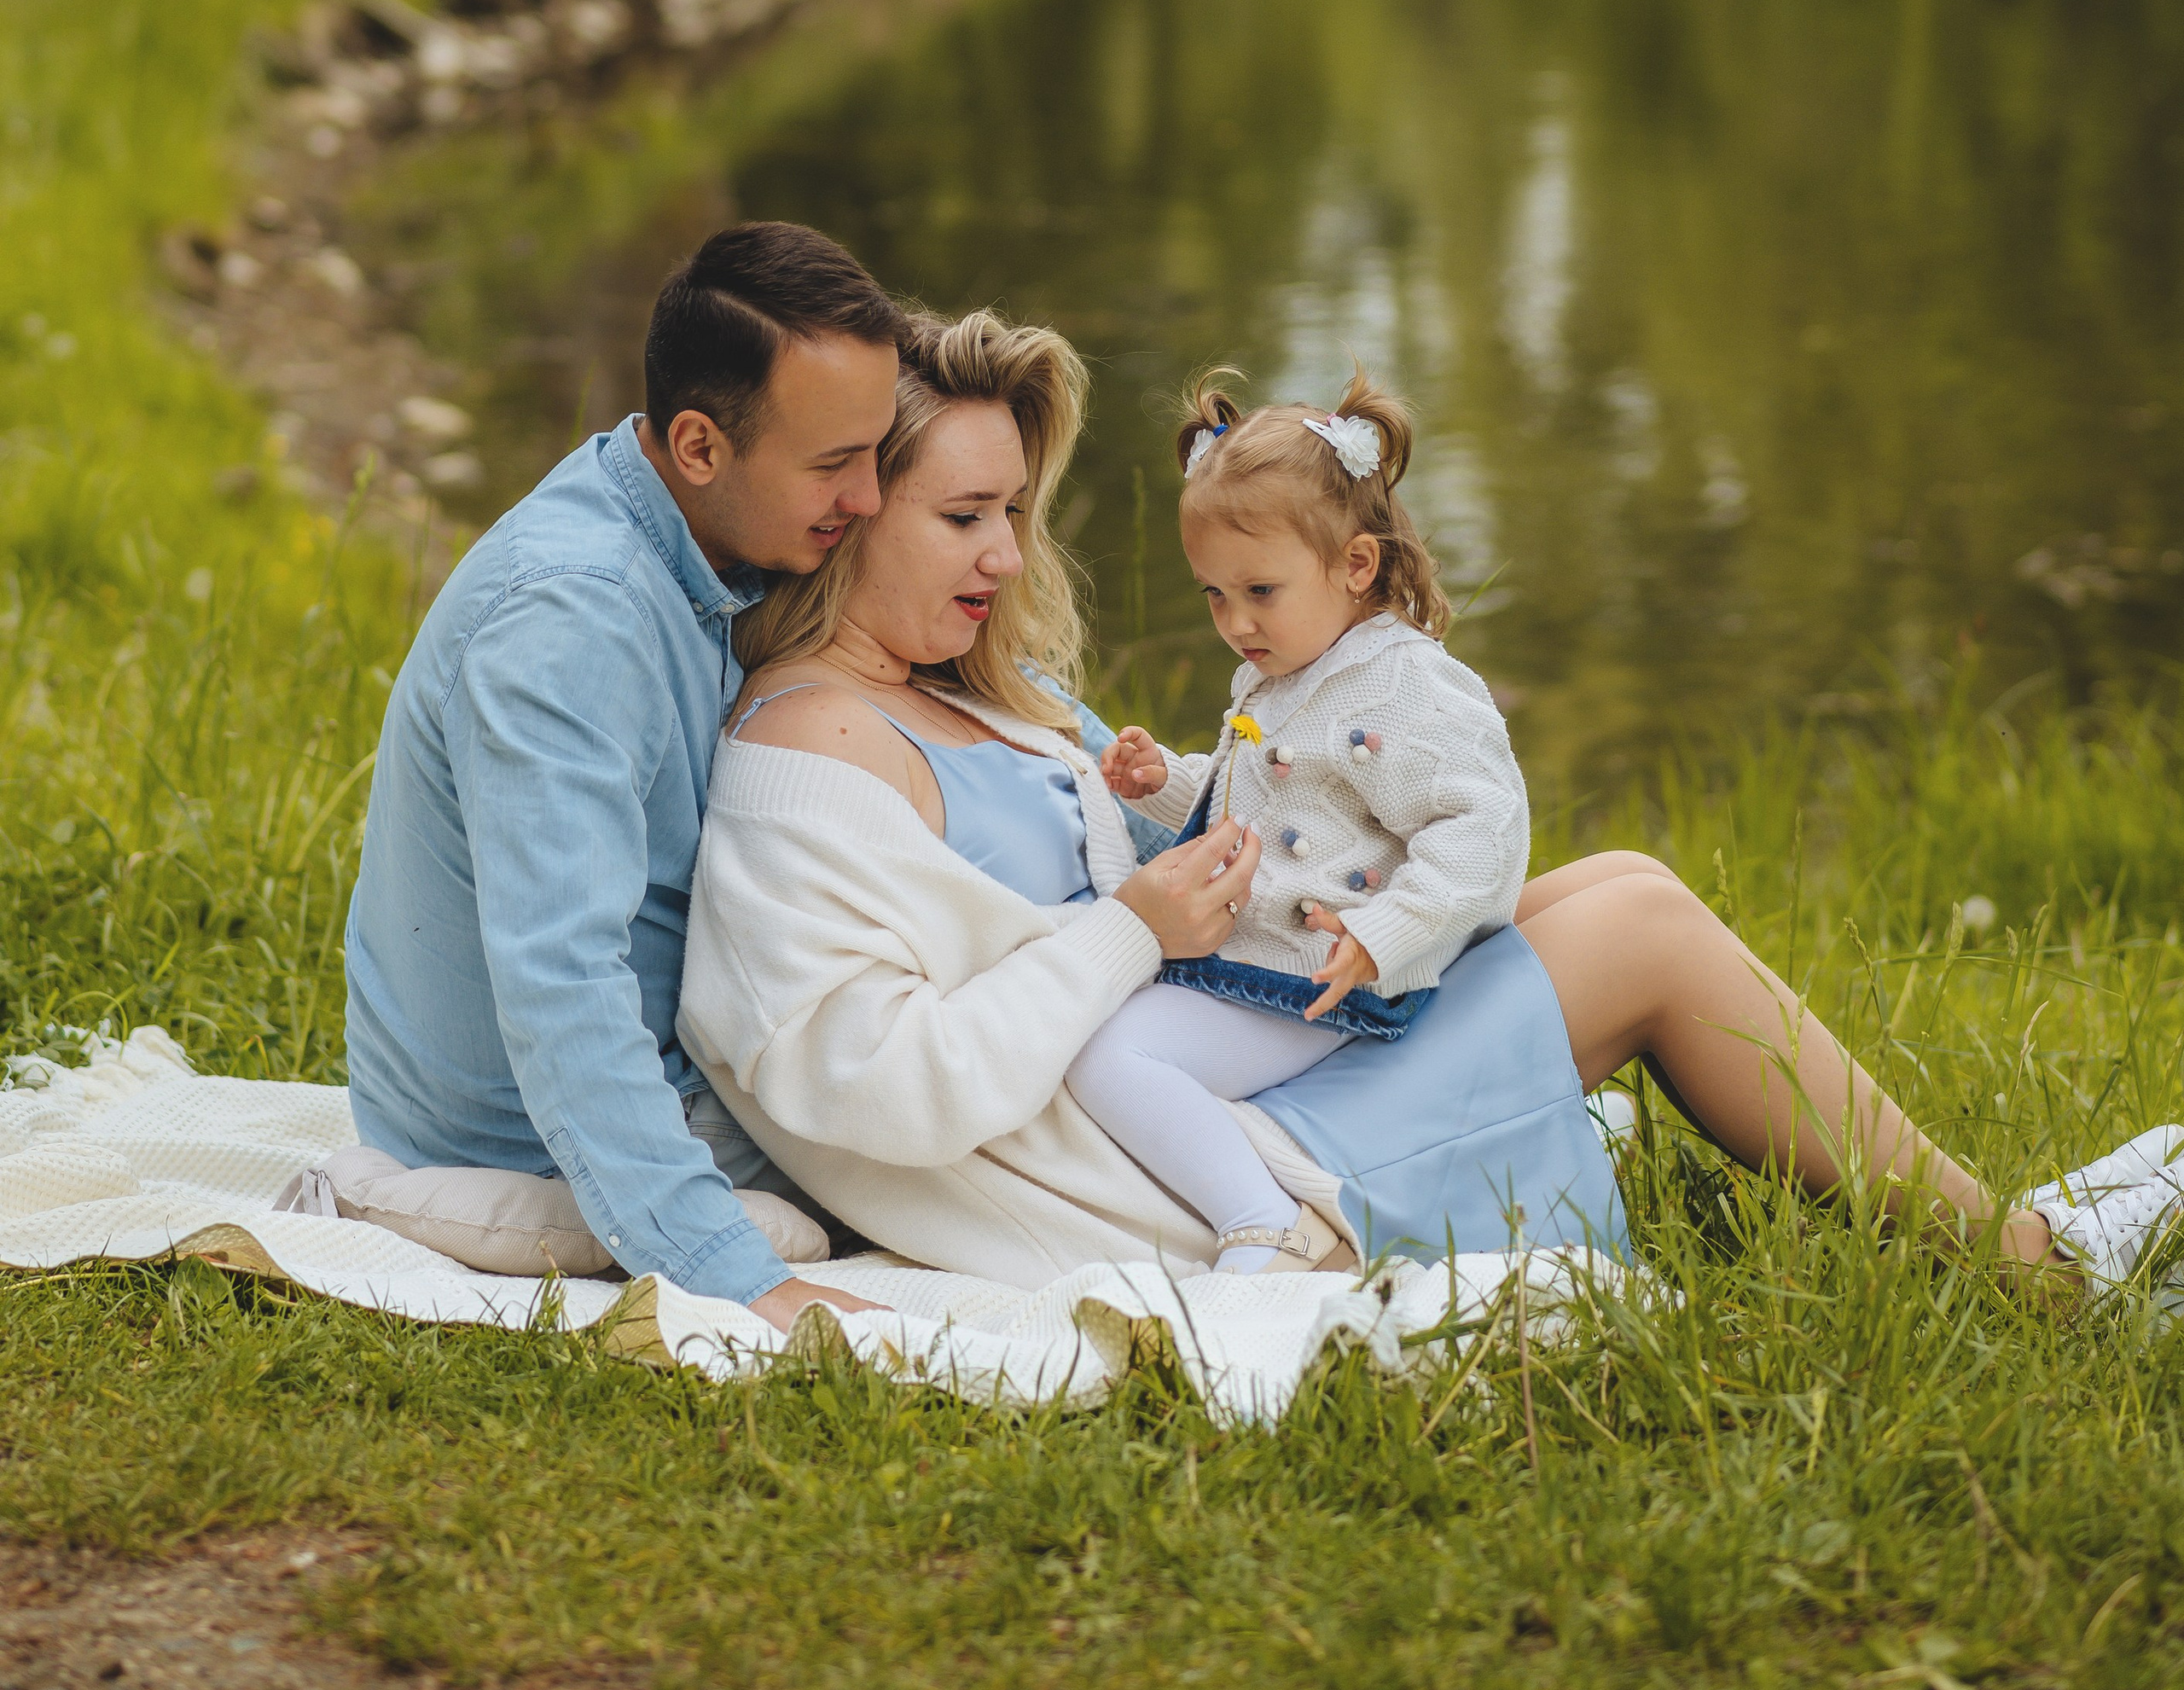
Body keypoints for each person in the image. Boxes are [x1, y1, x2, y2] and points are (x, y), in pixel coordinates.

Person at [680, 307, 2182, 1295]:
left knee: (1613, 876)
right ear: (853, 508)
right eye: (962, 514)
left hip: (1238, 1036)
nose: (1006, 553)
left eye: (1014, 509)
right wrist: (1131, 929)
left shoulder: (966, 692)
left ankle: (2009, 1220)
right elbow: (866, 1082)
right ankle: (2039, 1264)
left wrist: (1158, 838)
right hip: (1175, 1162)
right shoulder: (810, 752)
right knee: (1643, 928)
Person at [339, 220, 903, 1327]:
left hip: (679, 1056)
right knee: (993, 1107)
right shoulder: (576, 616)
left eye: (876, 450)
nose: (872, 495)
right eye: (837, 463)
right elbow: (562, 981)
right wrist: (741, 1278)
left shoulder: (681, 520)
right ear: (699, 446)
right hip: (522, 1131)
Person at [1065, 371, 1531, 1272]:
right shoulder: (1288, 665)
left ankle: (1261, 1220)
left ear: (1355, 565)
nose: (1233, 622)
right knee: (1101, 1018)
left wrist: (1384, 931)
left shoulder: (1400, 682)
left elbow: (1482, 825)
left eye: (1258, 591)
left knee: (1110, 1056)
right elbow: (1277, 801)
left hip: (1322, 976)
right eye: (1211, 594)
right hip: (1265, 957)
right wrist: (1166, 783)